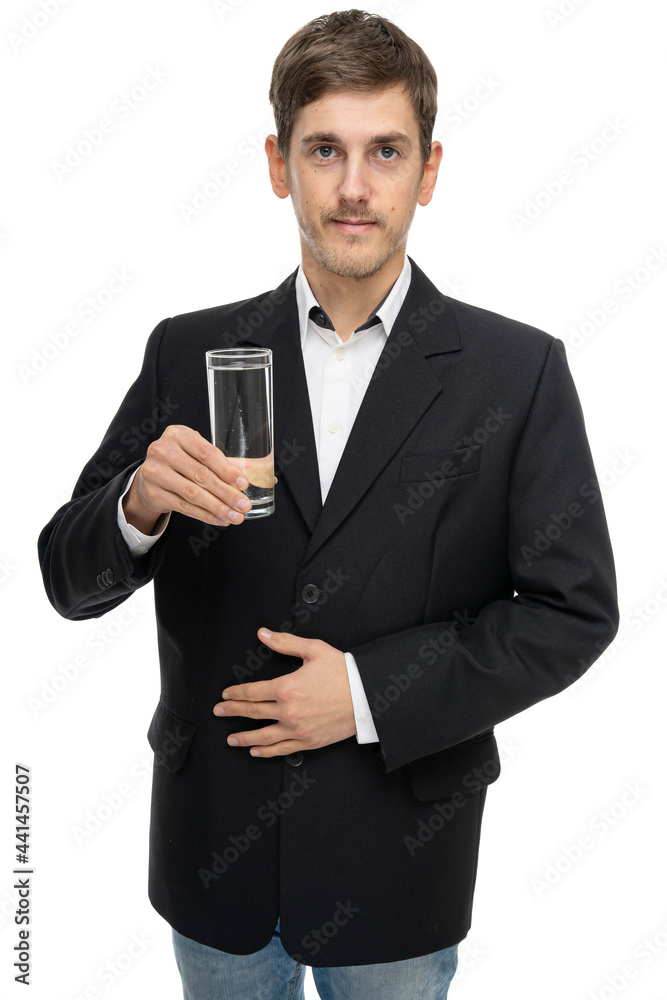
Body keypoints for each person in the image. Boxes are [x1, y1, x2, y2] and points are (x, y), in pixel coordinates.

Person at [38, 9, 619, 999]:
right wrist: (135, 505)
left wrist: (362, 696)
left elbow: (573, 614)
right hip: (212, 850)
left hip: (398, 859)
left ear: (428, 171)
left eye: (385, 150)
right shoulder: (188, 351)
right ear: (278, 163)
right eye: (324, 150)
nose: (354, 186)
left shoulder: (514, 373)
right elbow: (67, 576)